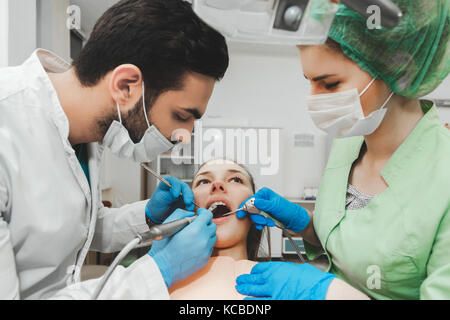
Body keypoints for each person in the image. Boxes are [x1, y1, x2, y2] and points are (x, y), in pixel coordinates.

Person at [0, 0, 228, 299]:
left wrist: (147, 215)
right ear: (126, 86)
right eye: (182, 116)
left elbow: (70, 230)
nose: (185, 136)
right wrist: (159, 271)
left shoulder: (85, 133)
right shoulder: (8, 125)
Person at [235, 0, 449, 300]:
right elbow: (353, 248)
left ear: (395, 70)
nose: (313, 100)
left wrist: (327, 292)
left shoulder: (444, 175)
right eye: (309, 83)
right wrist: (304, 225)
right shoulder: (348, 144)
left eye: (330, 84)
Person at [162, 159, 269, 299]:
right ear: (190, 207)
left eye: (236, 179)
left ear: (255, 209)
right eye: (204, 181)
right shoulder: (156, 284)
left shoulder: (281, 285)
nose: (217, 185)